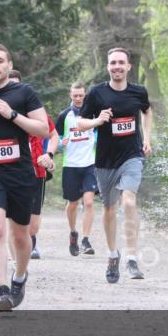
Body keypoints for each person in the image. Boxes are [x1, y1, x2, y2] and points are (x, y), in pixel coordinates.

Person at [0, 46, 50, 310]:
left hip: (20, 171)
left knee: (20, 234)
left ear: (9, 65)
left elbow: (43, 129)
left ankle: (19, 277)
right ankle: (2, 290)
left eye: (0, 61)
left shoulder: (24, 93)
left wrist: (13, 115)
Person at [76, 48, 153, 283]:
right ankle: (112, 255)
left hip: (132, 156)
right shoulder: (97, 93)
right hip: (105, 160)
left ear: (129, 66)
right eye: (113, 63)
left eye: (121, 62)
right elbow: (80, 123)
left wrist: (147, 139)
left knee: (128, 202)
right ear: (108, 67)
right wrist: (98, 121)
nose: (117, 66)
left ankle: (132, 258)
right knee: (109, 209)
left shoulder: (138, 92)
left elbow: (147, 112)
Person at [8, 70, 58, 260]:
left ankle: (29, 242)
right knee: (13, 220)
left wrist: (49, 155)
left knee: (33, 225)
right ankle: (16, 258)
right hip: (11, 172)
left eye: (16, 85)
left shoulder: (35, 111)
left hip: (37, 172)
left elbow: (54, 136)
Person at [54, 82, 99, 256]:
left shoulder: (92, 114)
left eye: (81, 95)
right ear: (70, 95)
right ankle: (73, 232)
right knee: (72, 203)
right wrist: (60, 144)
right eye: (75, 96)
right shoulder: (64, 115)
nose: (78, 98)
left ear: (85, 95)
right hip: (71, 165)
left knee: (88, 202)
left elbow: (99, 133)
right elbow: (55, 139)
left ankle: (86, 240)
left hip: (89, 163)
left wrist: (97, 141)